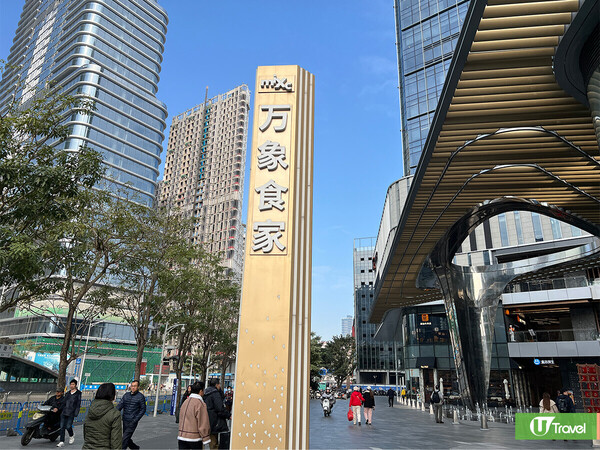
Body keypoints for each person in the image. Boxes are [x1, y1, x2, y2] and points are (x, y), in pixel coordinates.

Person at [83, 383, 122, 450]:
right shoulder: (114, 414)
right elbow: (116, 442)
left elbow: (85, 434)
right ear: (112, 395)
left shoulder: (90, 410)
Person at [178, 381, 211, 449]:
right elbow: (203, 423)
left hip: (182, 436)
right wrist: (206, 438)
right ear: (201, 391)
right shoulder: (200, 404)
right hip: (194, 437)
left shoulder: (185, 402)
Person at [117, 379, 146, 449]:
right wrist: (112, 412)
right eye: (132, 386)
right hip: (125, 420)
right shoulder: (126, 395)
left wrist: (135, 419)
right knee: (126, 437)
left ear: (138, 387)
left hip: (133, 421)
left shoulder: (141, 397)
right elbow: (120, 405)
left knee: (124, 439)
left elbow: (143, 409)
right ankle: (135, 448)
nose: (133, 387)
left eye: (135, 386)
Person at [204, 379, 230, 449]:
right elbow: (220, 408)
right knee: (215, 444)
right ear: (216, 385)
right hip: (216, 420)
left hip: (208, 420)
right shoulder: (215, 394)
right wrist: (228, 415)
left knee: (212, 441)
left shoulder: (206, 393)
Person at [57, 379, 81, 447]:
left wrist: (76, 412)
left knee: (68, 426)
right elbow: (64, 402)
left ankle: (71, 435)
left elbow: (78, 404)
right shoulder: (67, 393)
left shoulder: (78, 393)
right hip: (64, 411)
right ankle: (61, 441)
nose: (71, 386)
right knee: (62, 427)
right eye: (71, 384)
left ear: (75, 385)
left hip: (71, 412)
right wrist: (59, 408)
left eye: (73, 384)